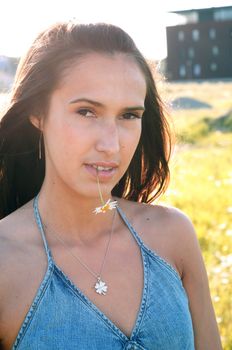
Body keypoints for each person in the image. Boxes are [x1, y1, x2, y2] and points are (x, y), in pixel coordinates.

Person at [0, 21, 222, 350]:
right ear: (38, 113)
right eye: (87, 111)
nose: (111, 144)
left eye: (129, 115)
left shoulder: (172, 235)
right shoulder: (6, 264)